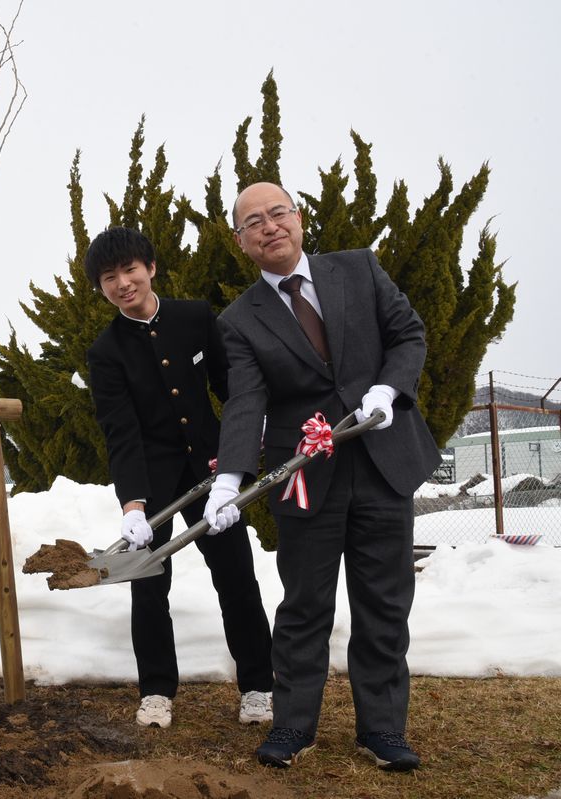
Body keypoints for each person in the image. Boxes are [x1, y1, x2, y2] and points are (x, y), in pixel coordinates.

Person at [204, 182, 440, 771]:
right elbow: (245, 402)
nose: (268, 226)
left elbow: (409, 334)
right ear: (241, 242)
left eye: (277, 213)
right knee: (305, 604)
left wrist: (390, 388)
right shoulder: (239, 320)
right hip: (305, 477)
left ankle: (382, 730)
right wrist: (229, 478)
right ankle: (292, 726)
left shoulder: (358, 269)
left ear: (299, 218)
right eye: (253, 222)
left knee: (384, 601)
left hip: (384, 462)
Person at [84, 227, 274, 730]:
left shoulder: (195, 317)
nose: (123, 283)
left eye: (130, 270)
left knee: (237, 579)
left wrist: (237, 464)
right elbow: (120, 432)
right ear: (101, 288)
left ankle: (258, 686)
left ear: (150, 268)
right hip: (153, 483)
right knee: (148, 590)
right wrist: (133, 507)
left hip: (214, 475)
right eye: (110, 277)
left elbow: (234, 391)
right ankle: (156, 692)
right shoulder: (106, 353)